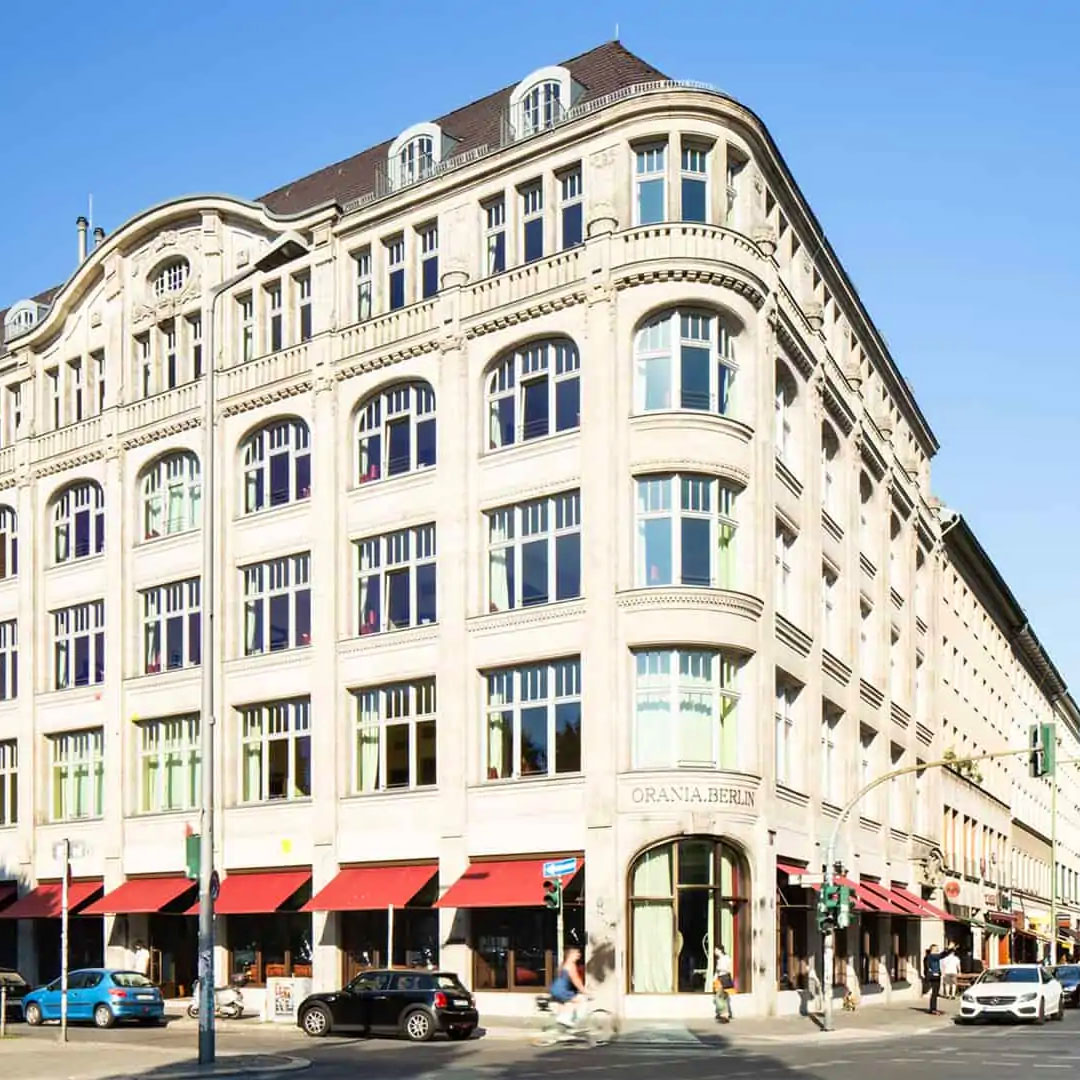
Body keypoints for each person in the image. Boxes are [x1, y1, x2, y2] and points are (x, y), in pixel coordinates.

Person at [548, 947, 587, 1027]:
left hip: (555, 988)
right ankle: (571, 1021)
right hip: (561, 990)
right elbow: (575, 980)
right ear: (571, 955)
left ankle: (564, 1022)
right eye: (577, 953)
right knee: (581, 1000)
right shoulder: (571, 965)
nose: (579, 955)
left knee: (568, 1003)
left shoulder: (563, 964)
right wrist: (584, 991)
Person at [713, 946, 734, 1022]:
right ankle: (724, 1013)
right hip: (719, 978)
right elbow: (717, 970)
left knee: (720, 996)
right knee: (720, 996)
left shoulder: (726, 958)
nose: (715, 952)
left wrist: (720, 969)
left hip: (724, 977)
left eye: (716, 950)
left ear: (720, 950)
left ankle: (724, 1014)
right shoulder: (719, 959)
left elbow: (728, 969)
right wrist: (715, 978)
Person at [923, 945, 944, 1015]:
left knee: (935, 993)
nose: (938, 950)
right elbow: (942, 955)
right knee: (934, 993)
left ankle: (933, 1008)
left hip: (936, 976)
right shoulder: (931, 956)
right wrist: (949, 949)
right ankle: (933, 1009)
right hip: (933, 976)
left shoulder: (931, 957)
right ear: (933, 949)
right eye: (936, 949)